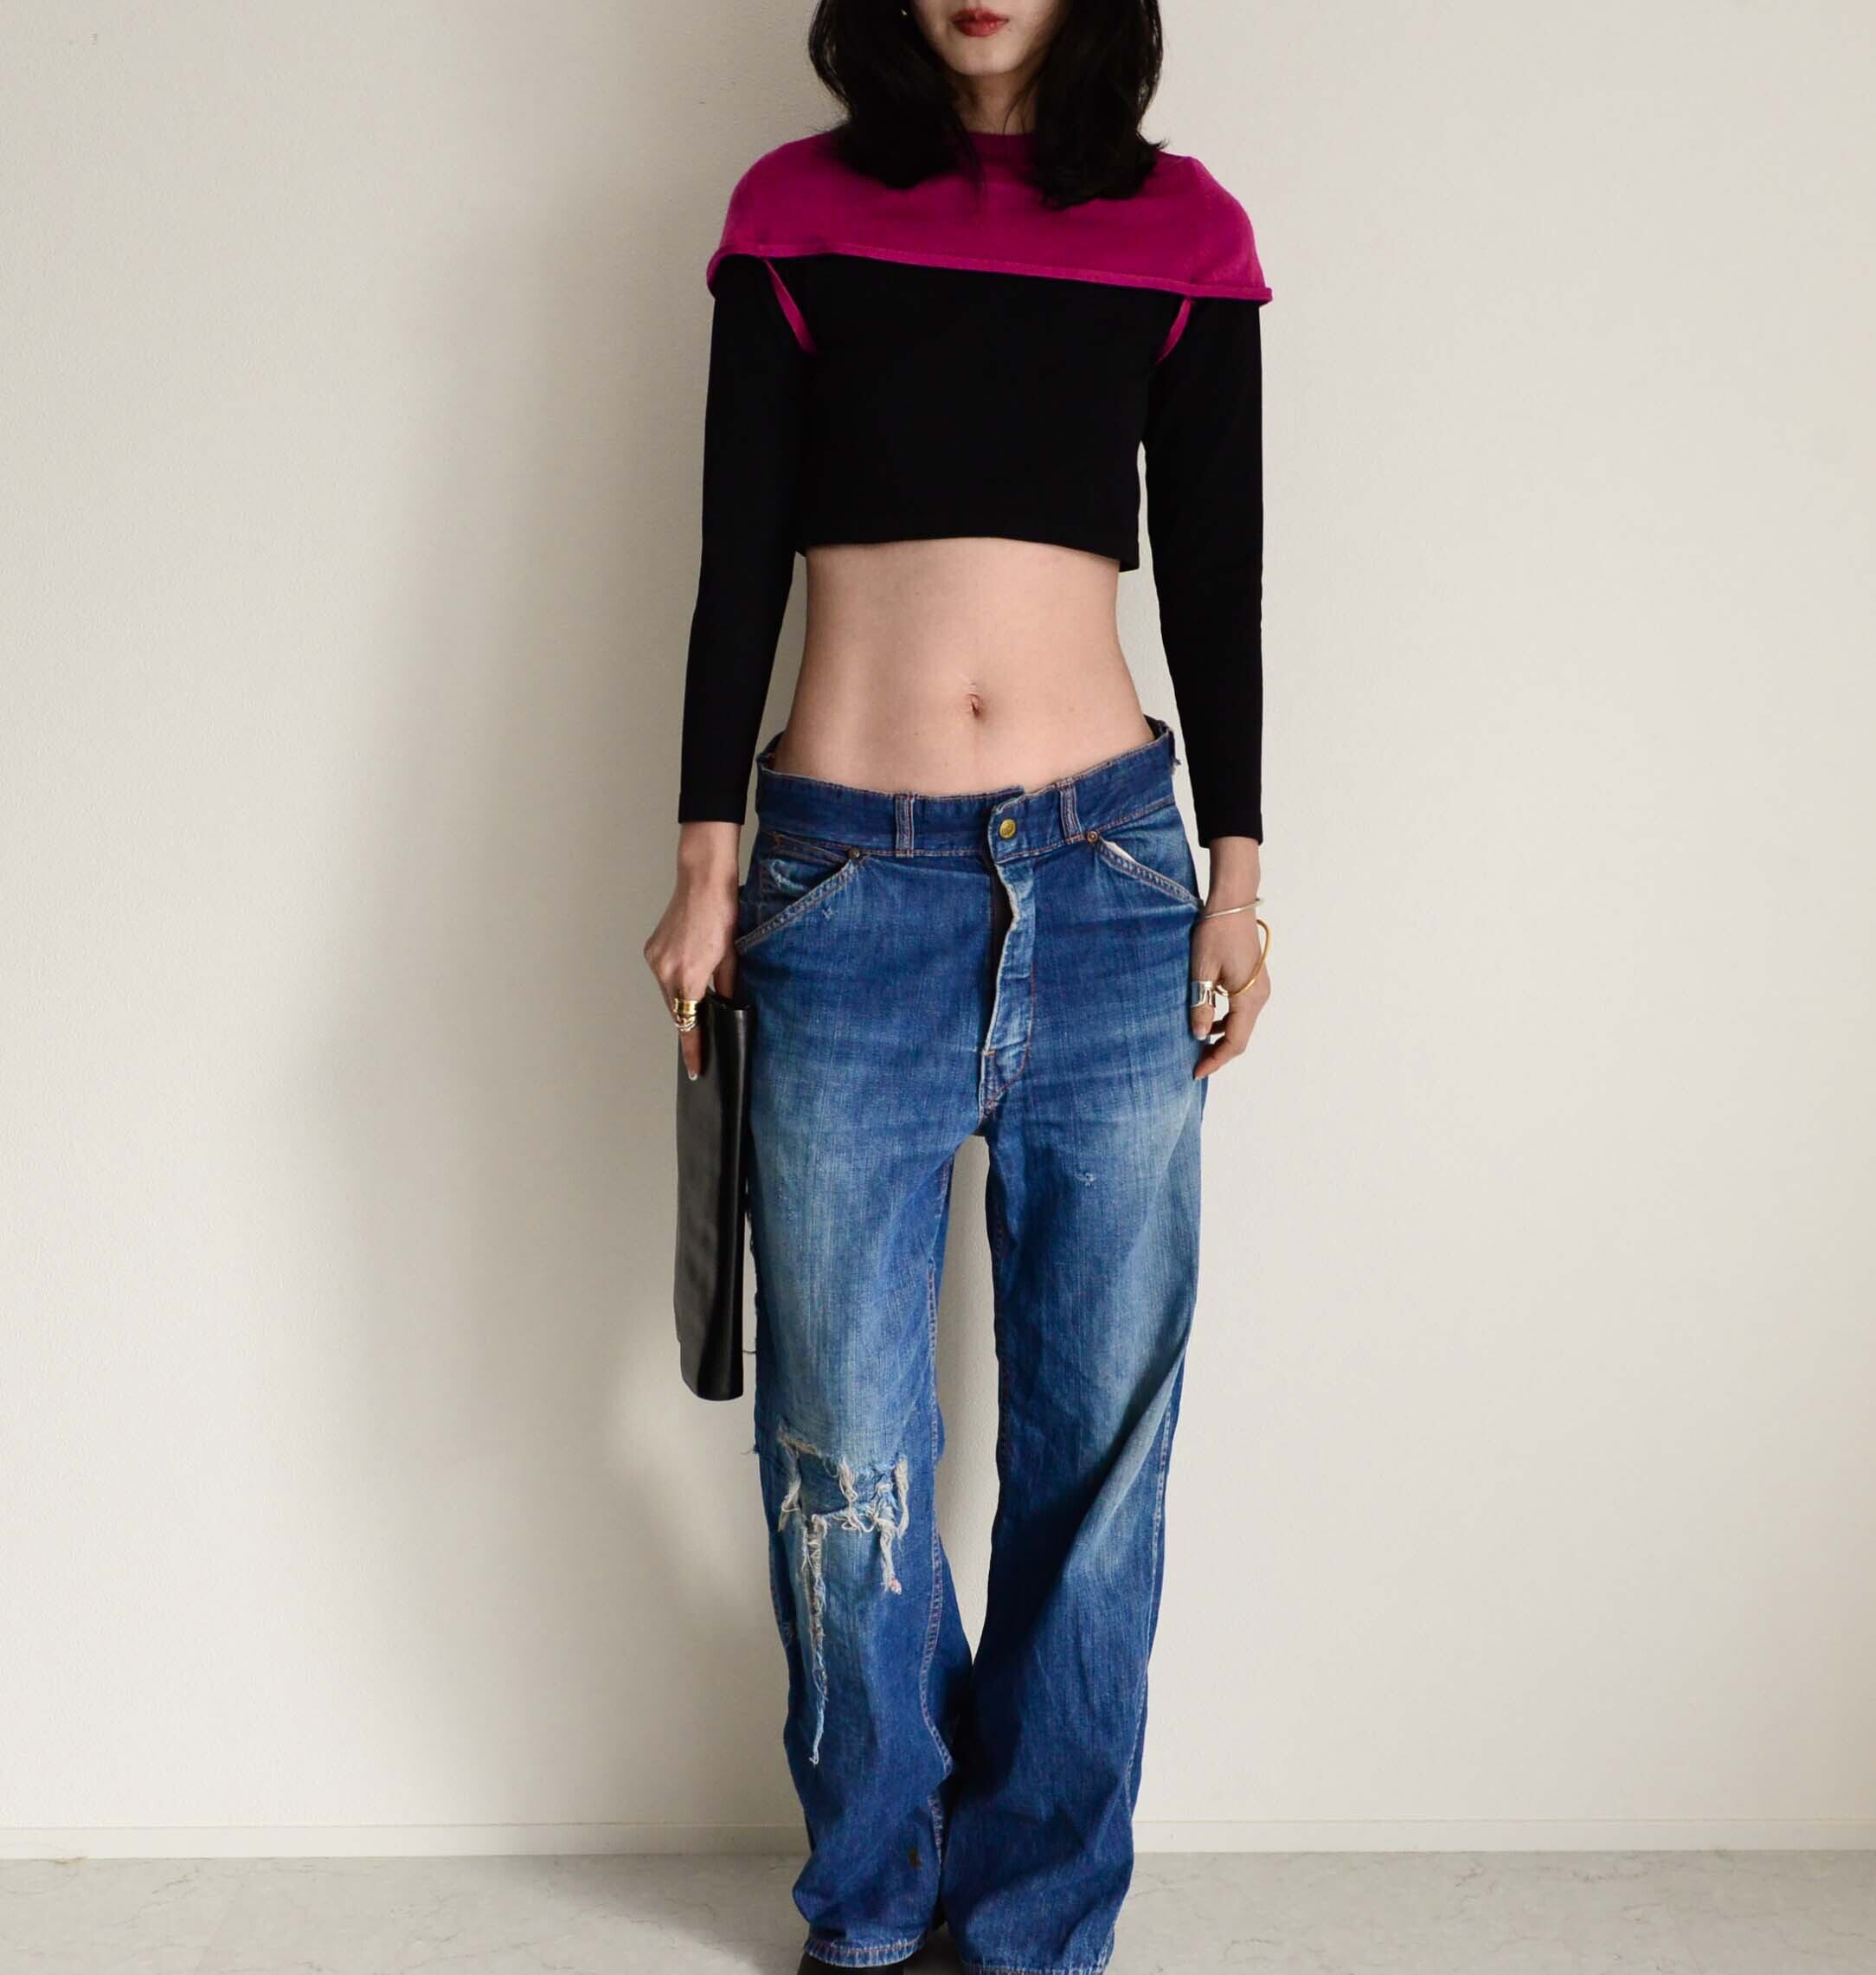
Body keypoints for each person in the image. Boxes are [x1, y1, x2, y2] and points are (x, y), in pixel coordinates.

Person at [642, 3, 1272, 1969]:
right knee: (843, 1450)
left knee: (1100, 1449)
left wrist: (1236, 880)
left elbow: (1220, 571)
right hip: (845, 886)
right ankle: (874, 1895)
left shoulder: (1181, 230)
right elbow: (736, 553)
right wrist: (705, 865)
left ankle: (1035, 1921)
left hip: (1111, 885)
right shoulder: (793, 213)